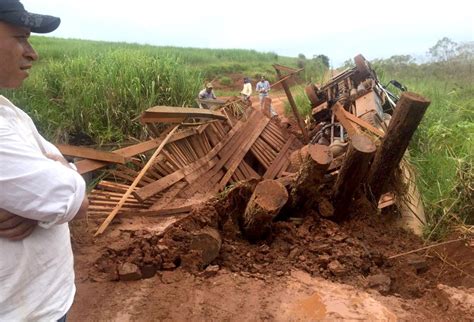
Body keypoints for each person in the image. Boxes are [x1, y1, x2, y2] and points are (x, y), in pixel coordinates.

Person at [0, 1, 89, 320]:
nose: (32, 52)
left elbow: (67, 182)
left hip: (45, 304)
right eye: (21, 37)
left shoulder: (10, 111)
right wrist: (54, 182)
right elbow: (73, 200)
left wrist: (36, 198)